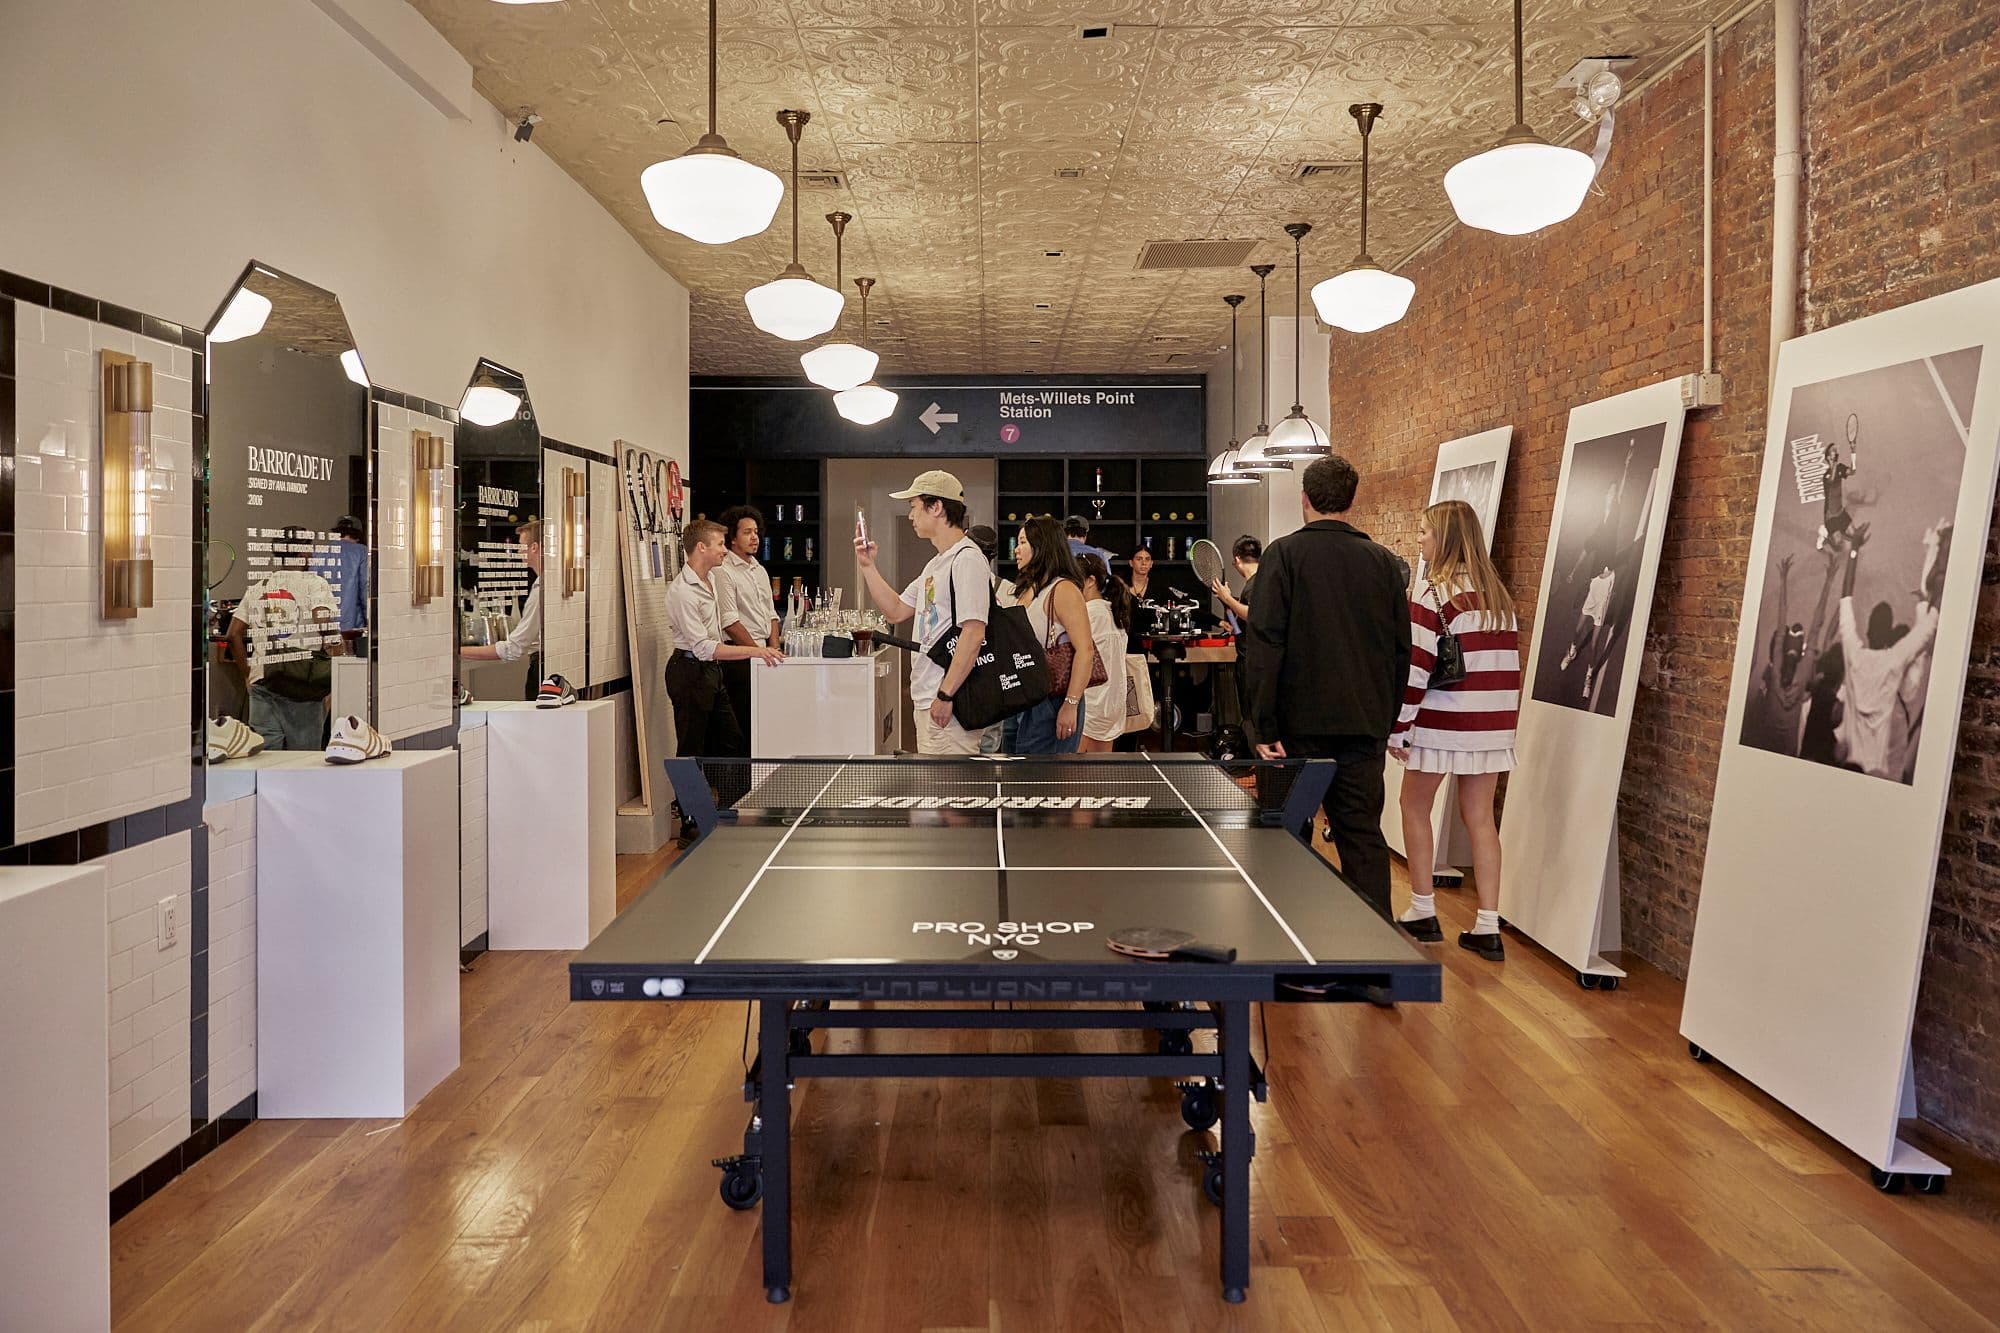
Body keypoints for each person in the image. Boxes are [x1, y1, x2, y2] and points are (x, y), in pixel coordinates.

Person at [1243, 455, 1411, 920]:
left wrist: (1264, 724)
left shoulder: (1282, 555)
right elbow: (1401, 651)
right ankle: (1376, 963)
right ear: (1352, 500)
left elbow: (1265, 645)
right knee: (1362, 836)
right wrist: (1384, 720)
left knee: (1289, 832)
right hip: (1363, 725)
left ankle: (1292, 949)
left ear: (1305, 499)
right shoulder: (1383, 562)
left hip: (1295, 727)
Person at [1387, 501, 1521, 962]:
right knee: (1481, 819)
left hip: (1442, 724)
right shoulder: (1499, 596)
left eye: (1424, 531)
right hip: (1491, 727)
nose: (1419, 540)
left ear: (1444, 538)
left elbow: (1416, 669)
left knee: (1413, 805)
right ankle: (1488, 924)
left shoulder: (1432, 594)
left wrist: (1398, 728)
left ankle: (1423, 909)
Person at [854, 470, 991, 755]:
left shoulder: (967, 559)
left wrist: (946, 693)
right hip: (928, 698)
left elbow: (974, 632)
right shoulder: (935, 565)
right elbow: (896, 611)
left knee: (949, 795)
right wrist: (868, 566)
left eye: (914, 506)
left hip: (950, 702)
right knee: (935, 792)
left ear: (937, 507)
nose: (911, 516)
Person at [665, 520, 785, 839]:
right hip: (689, 671)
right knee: (692, 748)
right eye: (719, 544)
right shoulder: (681, 592)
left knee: (732, 741)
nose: (723, 549)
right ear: (701, 547)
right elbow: (703, 647)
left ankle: (725, 809)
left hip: (710, 673)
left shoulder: (712, 581)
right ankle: (689, 819)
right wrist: (755, 651)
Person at [1834, 519, 1942, 779]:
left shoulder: (1853, 654)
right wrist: (1930, 594)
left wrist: (1854, 550)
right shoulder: (1895, 659)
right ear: (1890, 633)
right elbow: (1928, 627)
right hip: (1878, 773)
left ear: (1869, 631)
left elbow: (1845, 599)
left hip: (1845, 766)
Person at [227, 525, 345, 750]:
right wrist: (338, 652)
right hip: (301, 685)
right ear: (302, 553)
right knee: (303, 762)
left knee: (267, 761)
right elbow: (323, 621)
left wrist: (248, 675)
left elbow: (233, 634)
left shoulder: (259, 586)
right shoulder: (315, 583)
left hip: (263, 685)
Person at [1003, 517, 1097, 754]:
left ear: (1041, 546)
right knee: (1016, 778)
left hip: (1052, 699)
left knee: (1043, 780)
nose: (1016, 549)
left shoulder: (1063, 590)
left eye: (1023, 542)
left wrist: (1070, 704)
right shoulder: (1029, 589)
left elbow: (1085, 651)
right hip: (1020, 697)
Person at [715, 504, 780, 742]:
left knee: (765, 724)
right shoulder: (724, 571)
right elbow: (730, 622)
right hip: (739, 656)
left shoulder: (759, 569)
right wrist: (758, 651)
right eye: (746, 532)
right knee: (743, 726)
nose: (755, 538)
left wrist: (774, 649)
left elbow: (771, 614)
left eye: (756, 532)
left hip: (764, 653)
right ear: (732, 537)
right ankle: (742, 779)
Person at [459, 517, 545, 700]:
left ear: (534, 547)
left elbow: (513, 649)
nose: (517, 551)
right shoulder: (553, 583)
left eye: (521, 546)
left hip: (541, 673)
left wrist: (457, 652)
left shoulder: (542, 590)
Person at [1076, 553, 1130, 754]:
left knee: (1072, 776)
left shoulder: (1087, 613)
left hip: (1090, 704)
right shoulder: (1113, 611)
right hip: (1112, 704)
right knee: (1099, 776)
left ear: (1090, 581)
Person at [308, 514, 370, 648]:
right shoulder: (362, 552)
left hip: (322, 628)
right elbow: (366, 589)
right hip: (351, 627)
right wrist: (370, 622)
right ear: (358, 534)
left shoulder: (319, 552)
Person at [1208, 534, 1261, 631]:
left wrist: (1227, 598)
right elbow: (1238, 627)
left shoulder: (1254, 584)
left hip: (1252, 646)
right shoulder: (1262, 579)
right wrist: (1227, 600)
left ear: (1237, 560)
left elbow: (1251, 614)